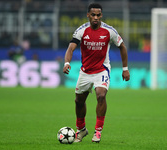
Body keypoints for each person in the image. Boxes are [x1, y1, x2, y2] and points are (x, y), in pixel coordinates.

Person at [63, 3, 130, 143]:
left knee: (101, 95)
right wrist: (67, 63)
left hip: (102, 70)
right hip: (85, 72)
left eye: (98, 15)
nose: (95, 18)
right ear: (88, 15)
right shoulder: (81, 30)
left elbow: (122, 46)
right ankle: (81, 130)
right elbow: (71, 48)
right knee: (78, 101)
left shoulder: (109, 31)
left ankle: (98, 131)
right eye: (93, 15)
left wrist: (125, 69)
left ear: (101, 16)